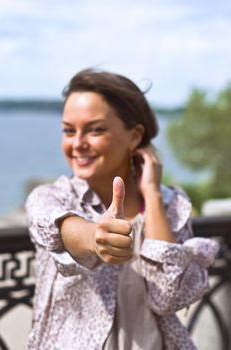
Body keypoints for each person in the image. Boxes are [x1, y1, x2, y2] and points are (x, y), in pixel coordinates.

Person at [26, 68, 219, 350]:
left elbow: (169, 297)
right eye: (69, 130)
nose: (77, 143)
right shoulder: (50, 197)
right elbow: (64, 228)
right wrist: (95, 238)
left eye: (96, 130)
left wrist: (151, 194)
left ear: (134, 137)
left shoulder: (171, 203)